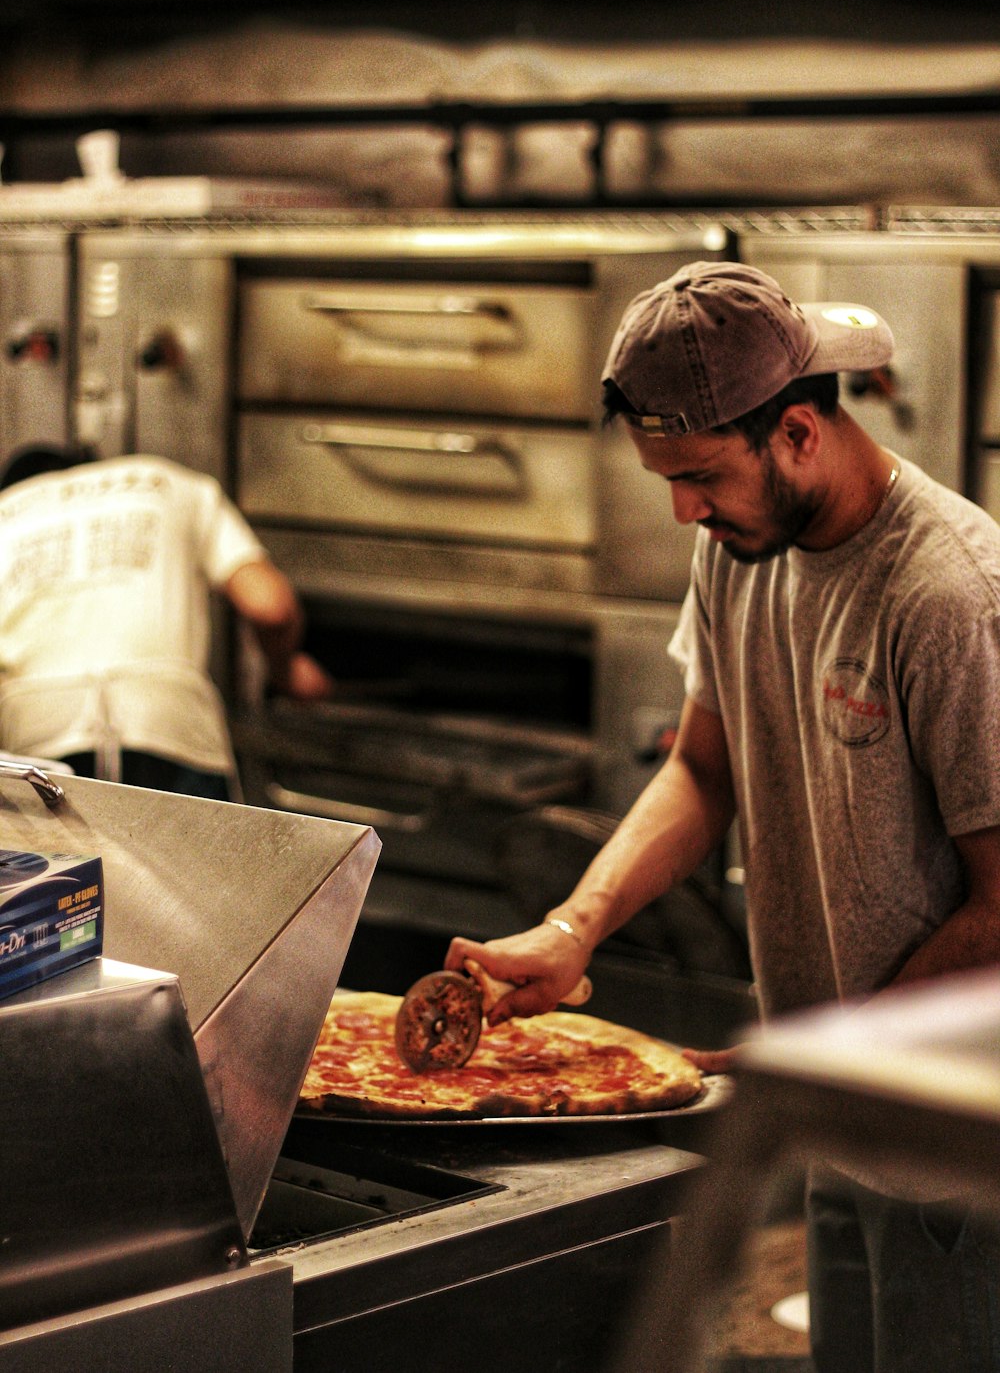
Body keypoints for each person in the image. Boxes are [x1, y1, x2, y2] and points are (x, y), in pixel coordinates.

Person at [444, 261, 1000, 1373]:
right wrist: (575, 925)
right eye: (664, 476)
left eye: (699, 474)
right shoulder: (738, 551)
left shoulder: (949, 596)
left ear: (797, 430)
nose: (681, 509)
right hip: (838, 1117)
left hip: (953, 1141)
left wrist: (824, 1061)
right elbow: (705, 769)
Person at [0, 444, 333, 799]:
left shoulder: (5, 512)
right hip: (173, 729)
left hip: (37, 745)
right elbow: (270, 606)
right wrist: (286, 672)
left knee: (64, 858)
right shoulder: (172, 483)